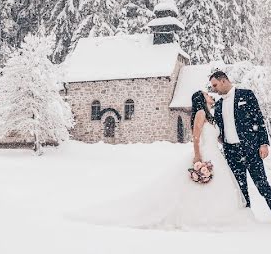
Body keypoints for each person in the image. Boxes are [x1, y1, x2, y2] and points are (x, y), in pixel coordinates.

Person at [69, 90, 257, 231]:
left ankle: (216, 213)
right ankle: (199, 215)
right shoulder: (200, 113)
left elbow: (216, 137)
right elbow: (196, 137)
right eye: (207, 93)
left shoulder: (210, 116)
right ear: (201, 99)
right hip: (205, 155)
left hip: (215, 156)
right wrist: (198, 157)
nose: (210, 95)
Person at [209, 70, 271, 227]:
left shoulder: (246, 95)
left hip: (251, 150)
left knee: (262, 185)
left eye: (215, 85)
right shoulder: (218, 105)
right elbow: (218, 128)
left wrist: (263, 143)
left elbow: (258, 119)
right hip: (231, 152)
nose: (214, 89)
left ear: (224, 81)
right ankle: (248, 223)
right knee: (240, 189)